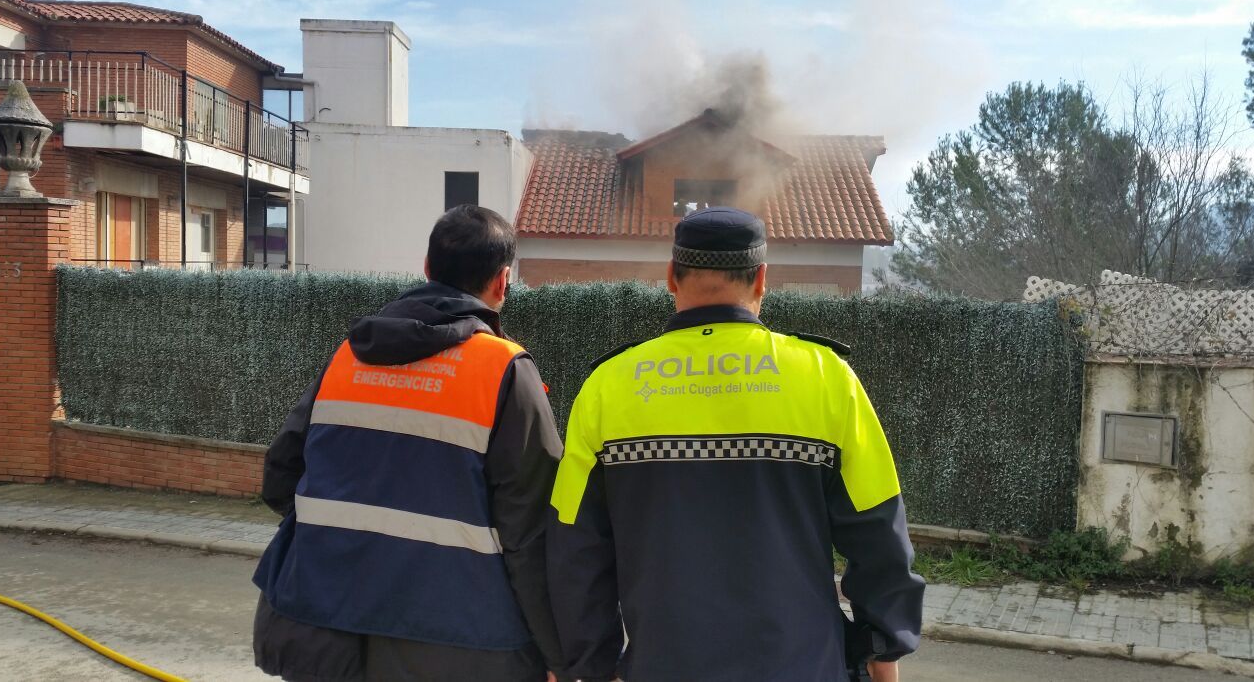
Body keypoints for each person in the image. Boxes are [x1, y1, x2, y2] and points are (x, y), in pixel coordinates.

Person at [547, 206, 925, 682]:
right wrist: (882, 648)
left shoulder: (607, 386)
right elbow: (880, 532)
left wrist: (590, 665)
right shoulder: (827, 377)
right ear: (762, 278)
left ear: (671, 276)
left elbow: (574, 548)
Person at [252, 205, 565, 682]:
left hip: (321, 627)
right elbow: (529, 532)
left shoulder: (350, 356)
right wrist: (557, 655)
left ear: (426, 268)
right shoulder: (504, 370)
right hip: (455, 642)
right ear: (502, 282)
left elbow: (280, 478)